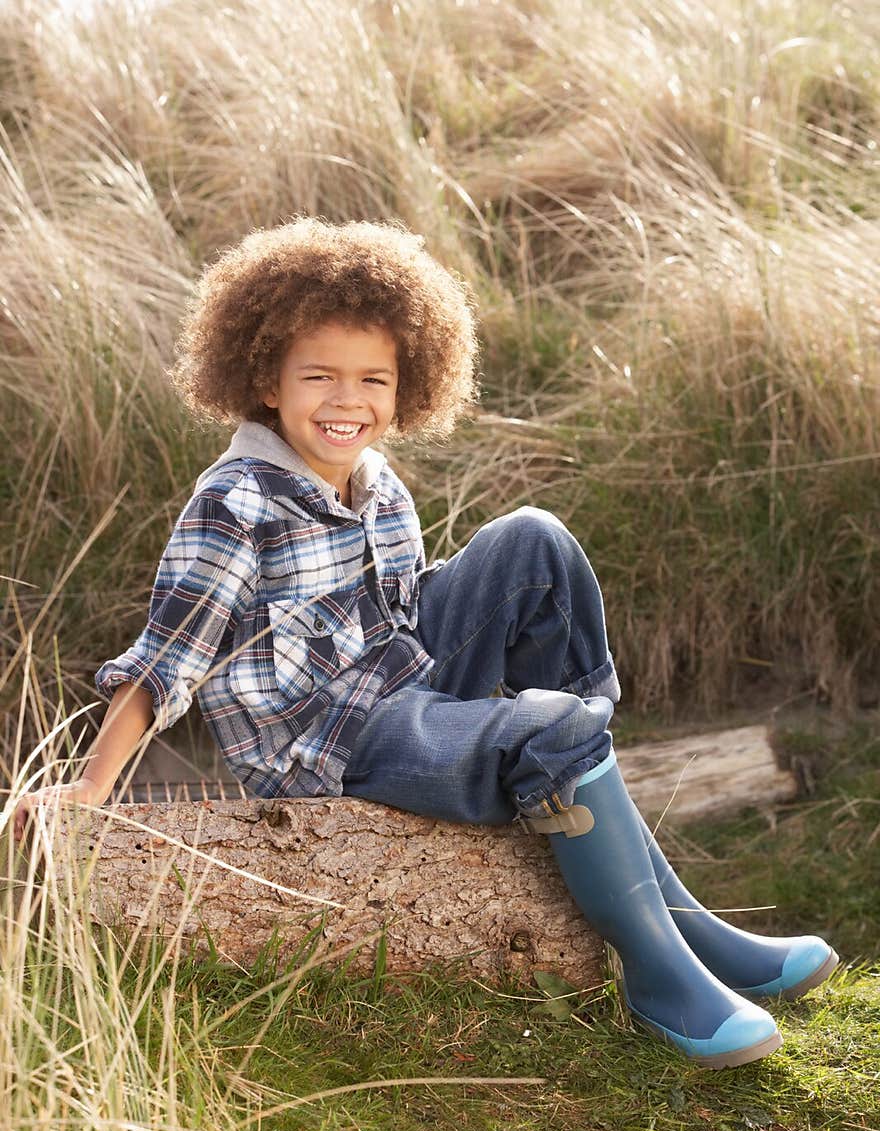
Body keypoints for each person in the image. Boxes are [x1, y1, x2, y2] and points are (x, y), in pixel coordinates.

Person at [11, 217, 838, 1067]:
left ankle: (589, 797)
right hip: (326, 742)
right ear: (265, 379)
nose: (348, 401)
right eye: (319, 376)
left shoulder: (378, 483)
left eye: (374, 379)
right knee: (551, 723)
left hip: (399, 677)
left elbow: (403, 606)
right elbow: (165, 658)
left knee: (532, 540)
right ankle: (658, 971)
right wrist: (89, 791)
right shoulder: (236, 502)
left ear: (408, 385)